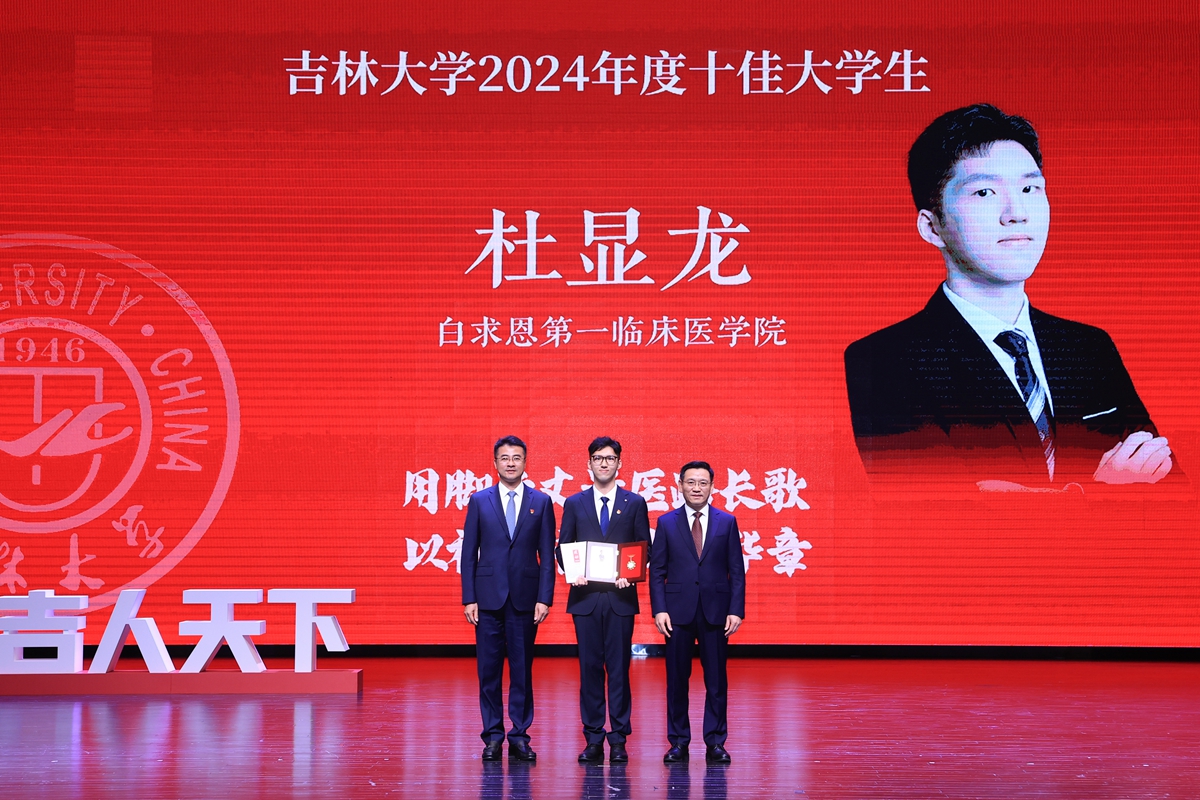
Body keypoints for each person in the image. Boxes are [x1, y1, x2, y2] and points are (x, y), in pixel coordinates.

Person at [844, 103, 1174, 488]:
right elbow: (934, 516)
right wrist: (1099, 494)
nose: (1017, 213)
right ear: (932, 228)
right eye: (984, 192)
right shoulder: (884, 360)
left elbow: (1172, 496)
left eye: (1030, 188)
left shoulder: (1088, 348)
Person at [460, 435, 556, 762]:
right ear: (495, 463)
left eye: (516, 458)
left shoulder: (541, 501)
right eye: (505, 458)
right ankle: (492, 736)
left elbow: (546, 554)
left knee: (522, 672)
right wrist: (469, 597)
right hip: (487, 600)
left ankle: (519, 736)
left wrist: (545, 598)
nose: (511, 463)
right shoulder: (479, 500)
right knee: (488, 672)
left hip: (526, 600)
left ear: (525, 462)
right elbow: (468, 554)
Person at [557, 436, 651, 764]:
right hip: (585, 599)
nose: (604, 463)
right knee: (590, 669)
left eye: (610, 458)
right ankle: (594, 737)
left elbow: (644, 548)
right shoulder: (574, 503)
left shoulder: (634, 502)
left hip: (620, 599)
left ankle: (619, 738)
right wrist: (574, 570)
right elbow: (562, 547)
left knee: (620, 669)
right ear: (589, 464)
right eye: (598, 458)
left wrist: (631, 574)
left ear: (619, 464)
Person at [649, 461, 746, 764]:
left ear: (712, 487)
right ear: (680, 485)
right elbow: (657, 572)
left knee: (716, 681)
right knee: (677, 680)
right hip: (677, 613)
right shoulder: (666, 523)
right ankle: (678, 742)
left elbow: (736, 571)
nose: (696, 488)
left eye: (703, 483)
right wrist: (659, 609)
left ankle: (715, 742)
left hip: (716, 612)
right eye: (690, 482)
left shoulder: (726, 522)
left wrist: (736, 610)